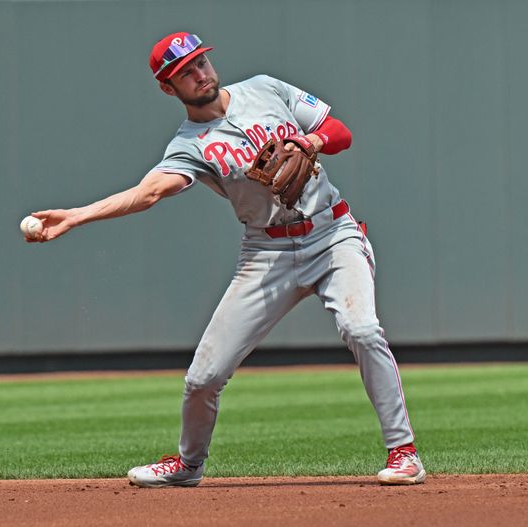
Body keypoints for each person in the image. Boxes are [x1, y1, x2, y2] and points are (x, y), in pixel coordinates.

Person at [26, 32, 425, 488]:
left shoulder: (265, 88)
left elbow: (341, 132)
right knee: (203, 377)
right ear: (168, 88)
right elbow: (148, 193)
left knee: (362, 328)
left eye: (200, 63)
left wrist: (310, 142)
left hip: (332, 235)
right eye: (185, 73)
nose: (199, 74)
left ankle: (404, 452)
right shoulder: (189, 144)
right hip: (267, 253)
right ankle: (187, 465)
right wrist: (76, 216)